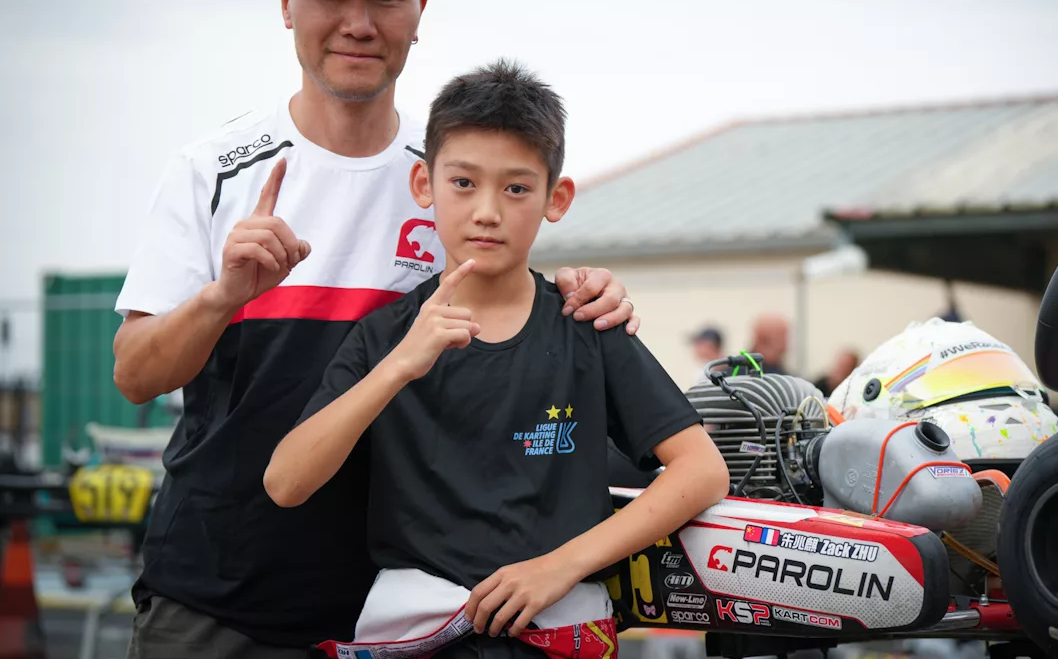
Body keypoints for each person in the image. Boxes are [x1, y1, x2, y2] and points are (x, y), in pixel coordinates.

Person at [111, 0, 639, 659]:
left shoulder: (454, 180)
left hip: (402, 610)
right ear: (285, 4)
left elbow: (523, 310)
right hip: (215, 594)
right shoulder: (211, 171)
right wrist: (224, 297)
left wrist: (595, 293)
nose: (359, 22)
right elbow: (134, 375)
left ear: (420, 12)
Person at [264, 59, 729, 658]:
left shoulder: (587, 323)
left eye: (516, 188)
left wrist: (559, 568)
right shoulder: (384, 338)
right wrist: (401, 365)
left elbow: (701, 470)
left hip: (562, 627)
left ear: (555, 198)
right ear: (423, 185)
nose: (487, 210)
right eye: (463, 182)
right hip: (417, 633)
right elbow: (285, 483)